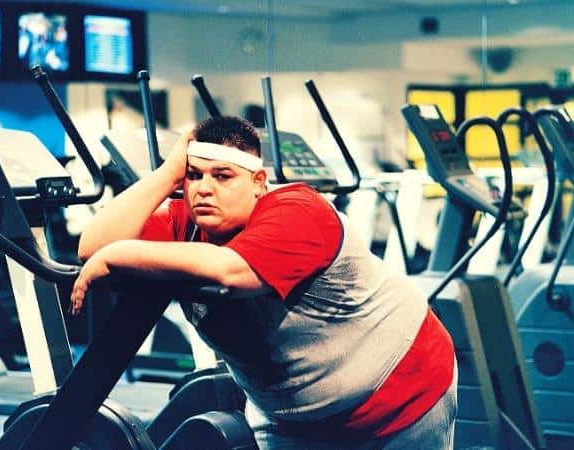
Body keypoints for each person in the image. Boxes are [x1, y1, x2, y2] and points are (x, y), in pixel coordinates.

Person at [71, 116, 457, 449]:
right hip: (288, 417)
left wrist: (117, 255)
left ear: (258, 181)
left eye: (222, 176)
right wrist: (165, 175)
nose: (204, 188)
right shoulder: (184, 220)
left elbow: (230, 270)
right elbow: (92, 246)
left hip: (404, 394)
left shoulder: (298, 211)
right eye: (194, 176)